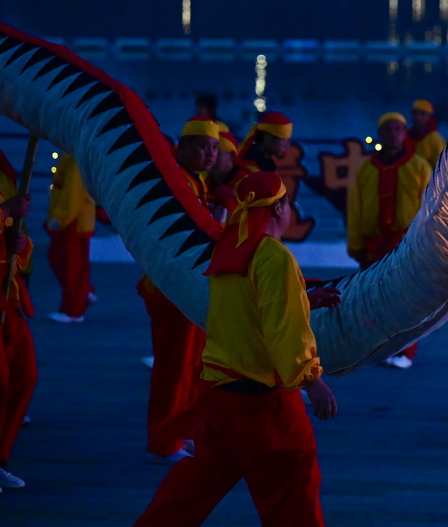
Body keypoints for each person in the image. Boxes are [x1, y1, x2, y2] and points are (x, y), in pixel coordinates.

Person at [134, 171, 339, 526]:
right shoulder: (275, 257)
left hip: (219, 399)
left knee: (188, 494)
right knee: (293, 491)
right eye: (286, 202)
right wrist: (311, 379)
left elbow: (245, 313)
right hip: (262, 405)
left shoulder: (230, 249)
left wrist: (304, 299)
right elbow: (282, 329)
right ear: (277, 209)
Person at [136, 117, 220, 464]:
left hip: (188, 287)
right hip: (172, 288)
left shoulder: (194, 179)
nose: (210, 154)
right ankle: (162, 440)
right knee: (173, 366)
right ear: (182, 146)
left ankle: (178, 432)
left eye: (214, 148)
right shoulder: (172, 181)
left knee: (189, 365)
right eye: (202, 146)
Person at [347, 112, 431, 368]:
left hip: (407, 242)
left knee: (407, 299)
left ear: (405, 133)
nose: (393, 134)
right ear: (380, 134)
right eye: (388, 129)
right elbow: (355, 208)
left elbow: (431, 208)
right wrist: (356, 244)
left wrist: (428, 244)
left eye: (398, 129)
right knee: (373, 299)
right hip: (374, 243)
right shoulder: (366, 168)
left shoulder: (419, 167)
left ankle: (404, 352)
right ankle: (376, 347)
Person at [0, 118, 35, 497]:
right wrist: (4, 212)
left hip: (7, 295)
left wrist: (19, 245)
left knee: (23, 375)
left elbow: (13, 241)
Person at [45, 154, 96, 323]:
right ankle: (83, 294)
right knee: (74, 265)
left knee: (68, 265)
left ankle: (73, 309)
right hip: (76, 219)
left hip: (72, 220)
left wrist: (60, 218)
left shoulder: (75, 158)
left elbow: (72, 192)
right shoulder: (74, 155)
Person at [407, 98, 446, 169]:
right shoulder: (405, 135)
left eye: (422, 114)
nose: (418, 117)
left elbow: (441, 164)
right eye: (415, 113)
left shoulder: (435, 138)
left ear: (429, 117)